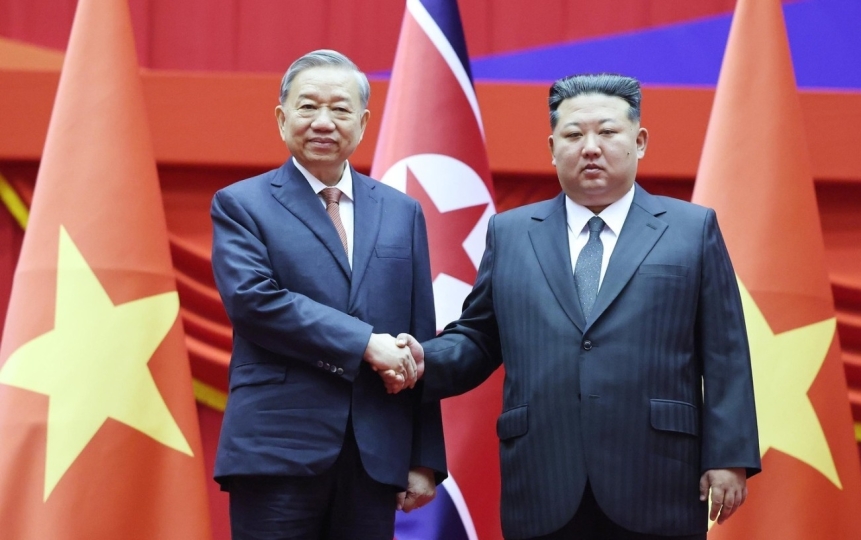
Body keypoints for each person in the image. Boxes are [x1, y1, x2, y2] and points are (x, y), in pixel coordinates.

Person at [399, 73, 761, 540]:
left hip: (659, 477)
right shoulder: (511, 234)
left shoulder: (691, 229)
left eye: (607, 132)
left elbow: (725, 350)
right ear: (553, 148)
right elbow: (479, 339)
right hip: (544, 476)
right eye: (573, 135)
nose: (591, 147)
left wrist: (729, 456)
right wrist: (420, 359)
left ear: (640, 141)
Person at [210, 49, 445, 540]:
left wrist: (424, 457)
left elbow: (418, 336)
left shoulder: (402, 212)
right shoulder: (241, 204)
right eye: (308, 107)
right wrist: (365, 343)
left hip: (374, 453)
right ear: (282, 118)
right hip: (277, 450)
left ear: (362, 123)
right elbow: (254, 302)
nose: (323, 122)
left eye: (339, 109)